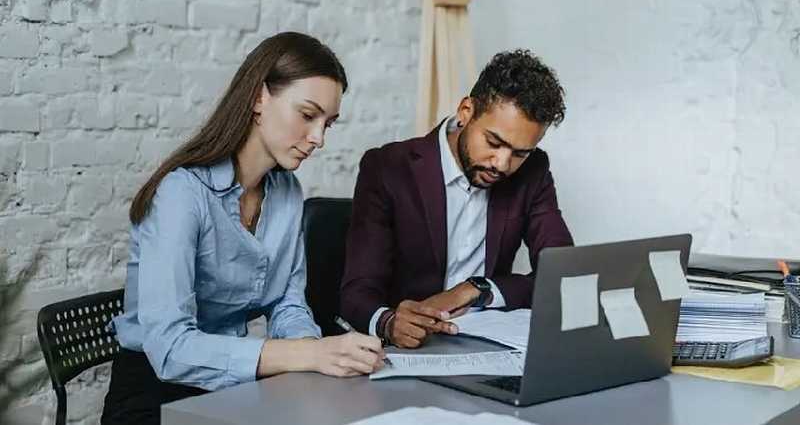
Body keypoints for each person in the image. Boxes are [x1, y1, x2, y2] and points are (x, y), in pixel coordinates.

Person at [102, 32, 384, 425]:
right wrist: (307, 355)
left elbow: (287, 301)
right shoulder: (181, 194)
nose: (318, 138)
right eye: (307, 115)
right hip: (154, 391)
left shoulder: (287, 192)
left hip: (229, 384)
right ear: (258, 97)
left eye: (328, 124)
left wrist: (318, 354)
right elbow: (169, 350)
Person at [340, 49, 574, 348]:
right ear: (466, 111)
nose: (502, 164)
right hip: (408, 349)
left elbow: (562, 273)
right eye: (493, 142)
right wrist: (387, 322)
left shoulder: (534, 170)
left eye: (519, 153)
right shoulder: (389, 167)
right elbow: (356, 292)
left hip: (487, 343)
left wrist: (478, 289)